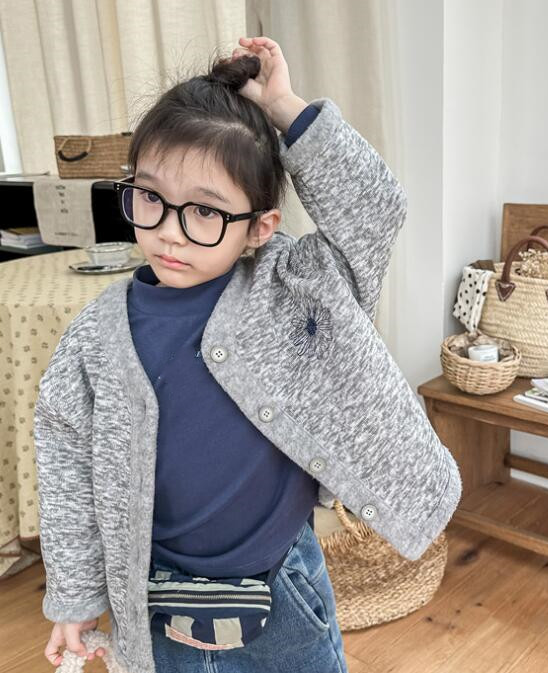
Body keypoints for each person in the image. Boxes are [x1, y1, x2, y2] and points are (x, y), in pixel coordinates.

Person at [35, 34, 462, 673]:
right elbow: (66, 466)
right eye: (149, 197)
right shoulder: (95, 339)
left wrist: (285, 107)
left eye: (205, 213)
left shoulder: (299, 286)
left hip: (282, 588)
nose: (168, 232)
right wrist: (74, 597)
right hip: (153, 601)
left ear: (259, 228)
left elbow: (373, 210)